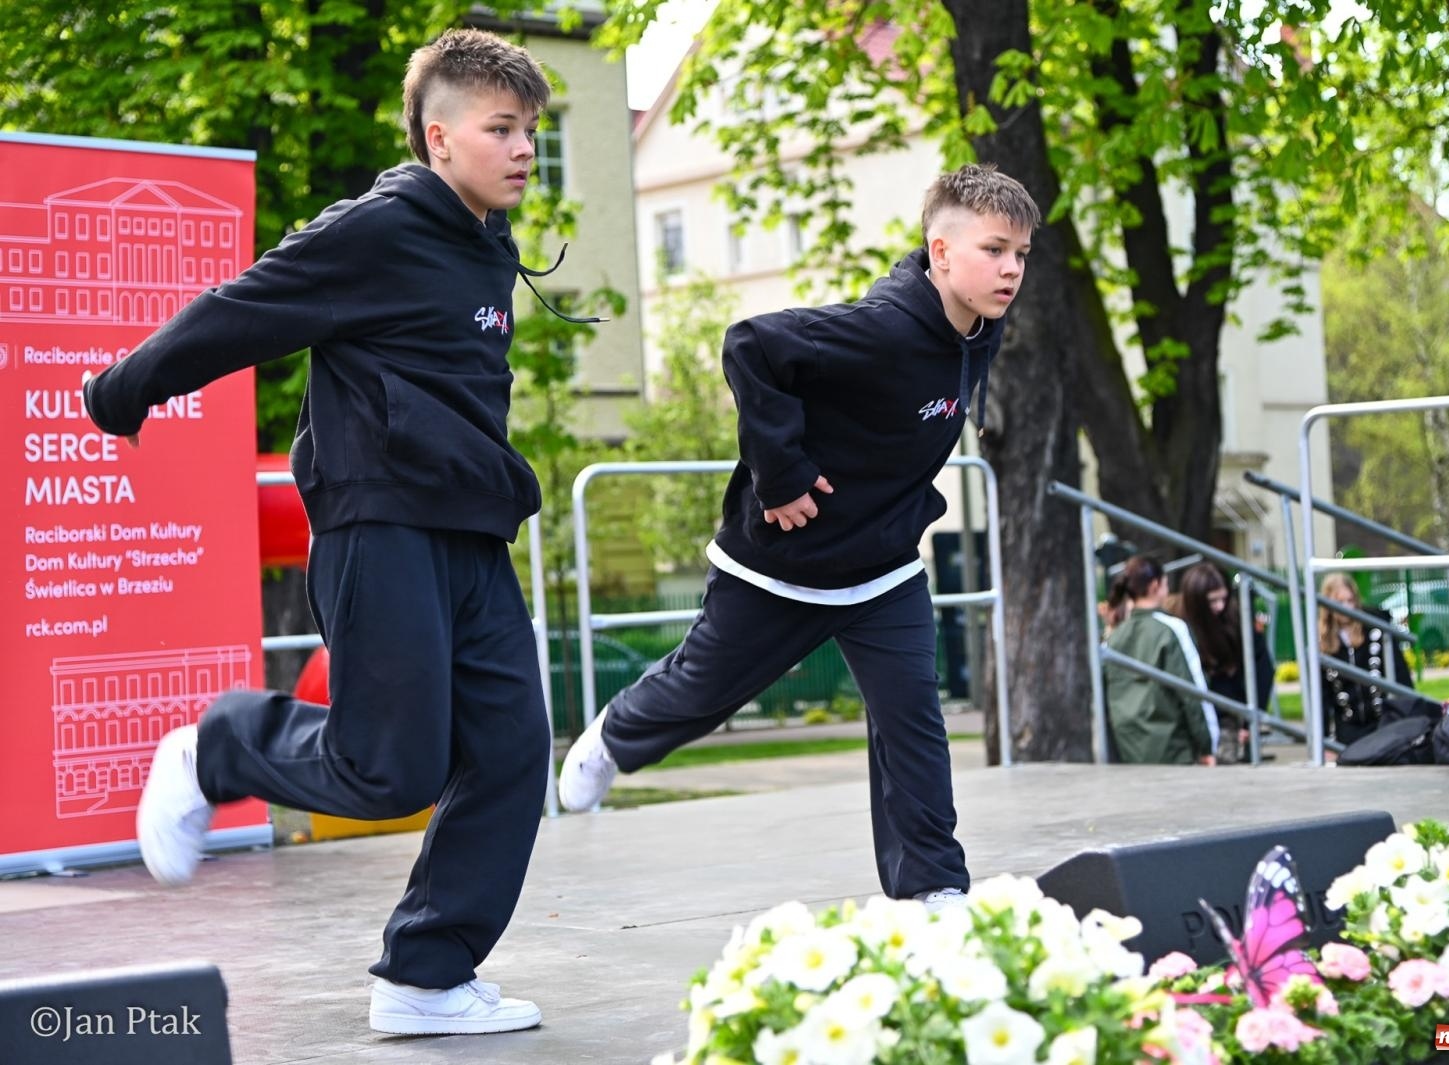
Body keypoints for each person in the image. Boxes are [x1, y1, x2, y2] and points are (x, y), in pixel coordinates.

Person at [81, 29, 571, 1036]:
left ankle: (426, 977)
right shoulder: (379, 229)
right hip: (381, 520)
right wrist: (124, 391)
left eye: (532, 129)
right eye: (501, 129)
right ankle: (219, 748)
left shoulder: (488, 240)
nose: (524, 148)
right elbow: (243, 309)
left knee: (514, 749)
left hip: (471, 533)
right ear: (440, 137)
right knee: (390, 767)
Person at [557, 163, 1041, 912]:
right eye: (994, 249)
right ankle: (615, 736)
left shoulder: (981, 326)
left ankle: (934, 888)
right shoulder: (879, 328)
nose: (1010, 268)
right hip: (781, 566)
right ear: (941, 255)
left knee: (913, 723)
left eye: (1020, 254)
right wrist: (780, 474)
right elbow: (750, 344)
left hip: (883, 567)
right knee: (701, 692)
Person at [1102, 556, 1218, 766]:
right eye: (1166, 583)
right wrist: (1207, 744)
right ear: (1155, 585)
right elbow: (1192, 692)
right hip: (1173, 749)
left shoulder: (1114, 638)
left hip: (1128, 749)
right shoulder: (1172, 629)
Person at [1175, 562, 1275, 762]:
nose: (1220, 606)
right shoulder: (1181, 626)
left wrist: (1249, 720)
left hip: (1229, 717)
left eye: (1223, 598)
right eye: (1212, 601)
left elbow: (1263, 668)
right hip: (1193, 716)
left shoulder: (1236, 619)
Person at [1318, 573, 1413, 747]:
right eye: (1340, 602)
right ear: (1328, 605)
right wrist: (1324, 743)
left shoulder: (1374, 629)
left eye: (1350, 600)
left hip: (1382, 722)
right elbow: (1321, 697)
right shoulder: (1323, 643)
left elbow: (1401, 676)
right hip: (1347, 728)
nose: (1347, 608)